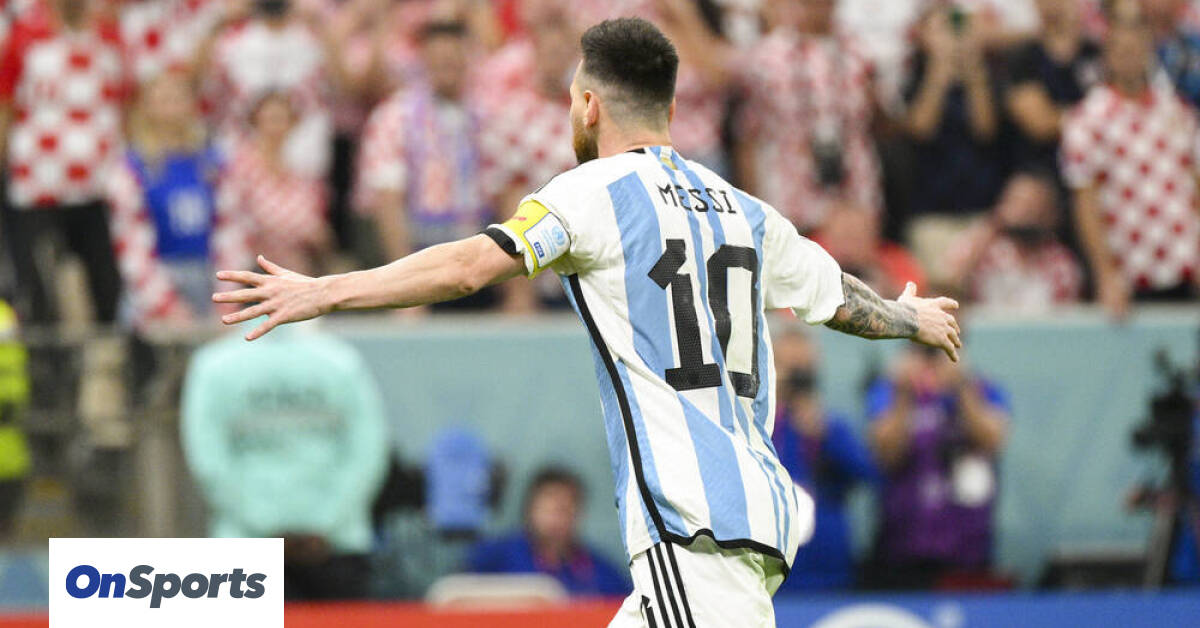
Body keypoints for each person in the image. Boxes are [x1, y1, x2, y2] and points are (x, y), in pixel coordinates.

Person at [214, 17, 962, 627]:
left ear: (590, 106)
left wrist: (326, 290)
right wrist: (910, 316)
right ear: (671, 110)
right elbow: (843, 301)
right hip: (743, 522)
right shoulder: (747, 211)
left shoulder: (592, 193)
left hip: (691, 526)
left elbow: (471, 266)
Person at [181, 320, 389, 600]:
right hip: (335, 543)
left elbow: (209, 463)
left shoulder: (213, 365)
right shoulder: (341, 361)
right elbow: (368, 451)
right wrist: (325, 523)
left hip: (245, 542)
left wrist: (264, 527)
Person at [1061, 16, 1200, 318]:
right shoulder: (1088, 118)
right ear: (1107, 57)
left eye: (1137, 49)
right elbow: (1085, 202)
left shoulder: (1178, 112)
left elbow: (1195, 184)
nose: (1130, 58)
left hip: (1184, 263)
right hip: (1129, 269)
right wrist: (1105, 273)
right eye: (1122, 51)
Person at [0, 0, 126, 324]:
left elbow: (126, 102)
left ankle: (110, 349)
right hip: (37, 184)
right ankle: (46, 355)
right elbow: (6, 102)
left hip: (100, 183)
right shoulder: (24, 34)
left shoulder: (109, 35)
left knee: (108, 285)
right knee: (38, 287)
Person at [356, 19, 495, 309]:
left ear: (468, 59)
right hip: (421, 257)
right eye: (439, 61)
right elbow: (388, 203)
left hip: (483, 255)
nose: (447, 68)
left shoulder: (490, 113)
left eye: (453, 60)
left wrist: (518, 288)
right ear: (423, 62)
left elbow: (508, 190)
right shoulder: (395, 116)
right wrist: (405, 288)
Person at [106, 69, 251, 328]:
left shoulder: (214, 164)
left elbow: (232, 231)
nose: (172, 108)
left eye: (178, 98)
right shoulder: (131, 169)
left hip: (209, 281)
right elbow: (131, 244)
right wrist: (166, 305)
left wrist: (227, 297)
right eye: (163, 100)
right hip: (153, 291)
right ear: (145, 108)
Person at [865, 345, 1010, 590]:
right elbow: (886, 453)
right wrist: (904, 392)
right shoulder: (891, 391)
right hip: (903, 549)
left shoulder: (981, 388)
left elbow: (992, 440)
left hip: (968, 549)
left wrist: (962, 387)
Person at [738, 0, 885, 232]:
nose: (819, 6)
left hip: (853, 180)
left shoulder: (860, 52)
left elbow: (880, 121)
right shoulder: (765, 56)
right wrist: (751, 207)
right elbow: (747, 136)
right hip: (789, 185)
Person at [901, 4, 1009, 279]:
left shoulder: (986, 76)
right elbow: (921, 128)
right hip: (933, 214)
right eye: (940, 30)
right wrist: (940, 70)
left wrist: (972, 69)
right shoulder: (914, 77)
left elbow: (986, 129)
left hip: (980, 212)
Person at [770, 327, 878, 592]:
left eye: (804, 371)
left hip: (828, 567)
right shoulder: (760, 428)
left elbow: (867, 473)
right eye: (790, 369)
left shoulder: (830, 425)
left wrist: (825, 435)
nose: (796, 380)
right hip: (773, 565)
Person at [468, 466, 630, 596]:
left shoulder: (599, 572)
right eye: (548, 508)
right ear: (529, 509)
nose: (555, 518)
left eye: (564, 509)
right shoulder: (494, 559)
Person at [217, 92, 331, 277]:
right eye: (270, 119)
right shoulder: (241, 165)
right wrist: (298, 228)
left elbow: (316, 225)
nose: (276, 127)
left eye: (282, 119)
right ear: (255, 122)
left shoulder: (299, 170)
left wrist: (302, 229)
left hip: (295, 262)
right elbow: (249, 216)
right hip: (248, 261)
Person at [942, 172, 1084, 308]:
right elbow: (947, 285)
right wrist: (991, 227)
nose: (1025, 211)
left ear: (1051, 213)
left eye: (1033, 204)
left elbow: (1063, 318)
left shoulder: (1061, 263)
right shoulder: (985, 252)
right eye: (1018, 201)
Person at [1003, 0, 1103, 176]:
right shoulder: (1023, 57)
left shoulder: (1095, 53)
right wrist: (1097, 118)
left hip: (1096, 160)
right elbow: (1040, 124)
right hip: (1041, 166)